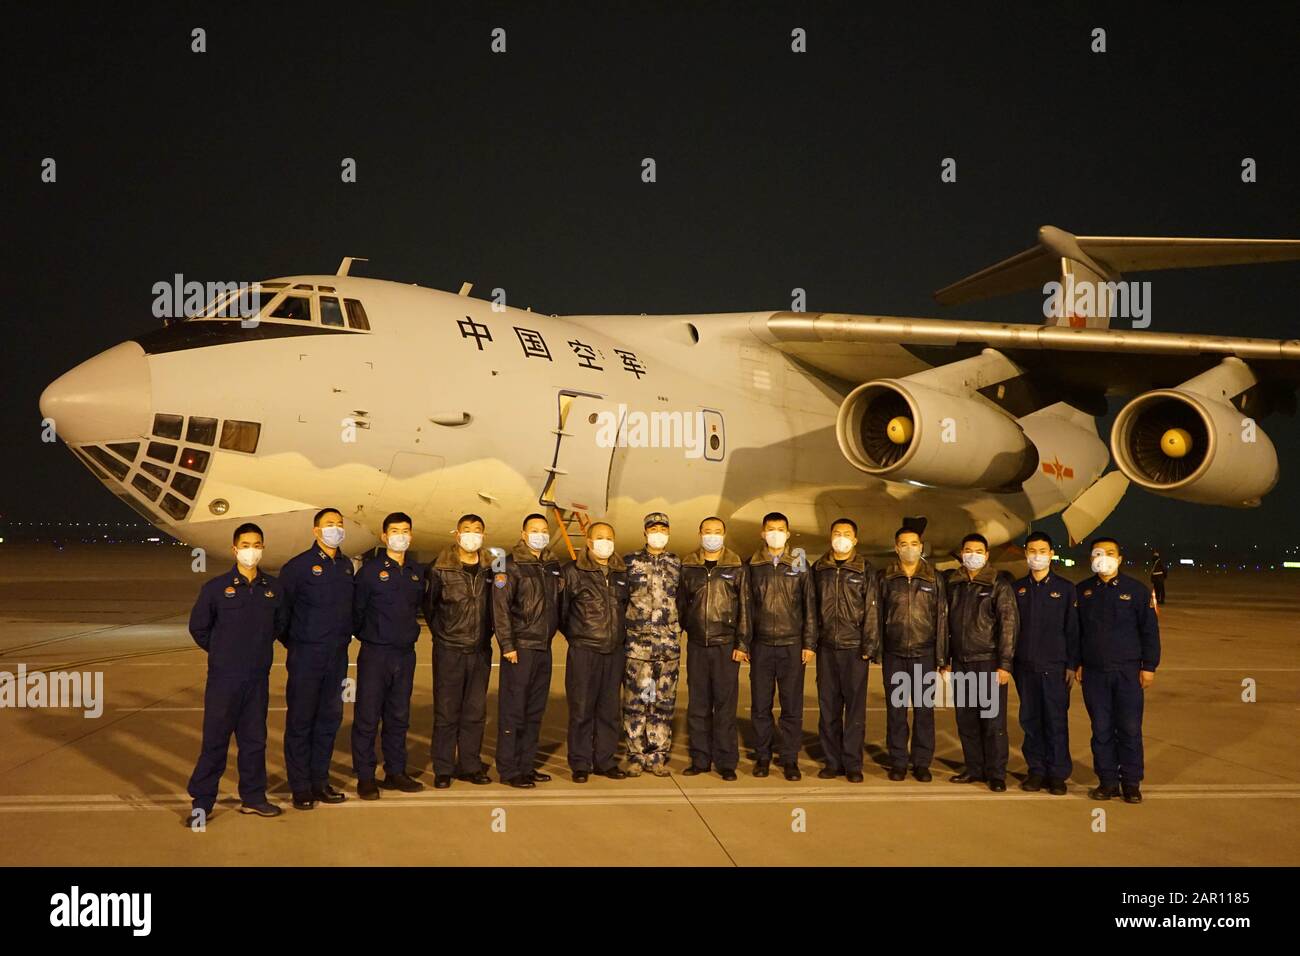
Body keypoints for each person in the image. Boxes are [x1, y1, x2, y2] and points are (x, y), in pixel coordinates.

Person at [183, 523, 286, 824]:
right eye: (245, 544)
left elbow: (279, 625)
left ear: (262, 548)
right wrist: (221, 652)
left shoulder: (273, 589)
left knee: (254, 741)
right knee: (215, 742)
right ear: (235, 549)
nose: (251, 550)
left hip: (257, 679)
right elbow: (199, 628)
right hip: (224, 680)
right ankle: (202, 803)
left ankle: (253, 798)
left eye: (256, 544)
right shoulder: (216, 588)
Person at [278, 508, 354, 811]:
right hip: (307, 655)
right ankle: (300, 786)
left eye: (339, 524)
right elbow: (282, 613)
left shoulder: (346, 566)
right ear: (315, 531)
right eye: (328, 525)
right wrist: (298, 643)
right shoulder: (298, 567)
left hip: (337, 656)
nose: (334, 529)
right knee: (300, 722)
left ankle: (320, 781)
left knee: (328, 721)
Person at [1076, 536, 1161, 804]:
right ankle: (1108, 781)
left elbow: (1150, 631)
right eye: (1097, 553)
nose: (1103, 557)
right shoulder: (1082, 591)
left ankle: (1131, 783)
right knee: (1100, 729)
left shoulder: (1137, 591)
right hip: (1094, 672)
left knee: (1129, 728)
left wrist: (1149, 666)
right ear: (1091, 559)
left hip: (1127, 671)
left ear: (1120, 558)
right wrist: (1077, 662)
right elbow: (1075, 633)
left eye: (1109, 552)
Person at [350, 512, 425, 799]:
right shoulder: (369, 572)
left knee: (398, 716)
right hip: (375, 653)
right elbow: (356, 612)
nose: (401, 535)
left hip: (405, 654)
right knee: (368, 717)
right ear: (384, 536)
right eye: (395, 531)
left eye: (406, 530)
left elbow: (419, 607)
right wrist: (371, 635)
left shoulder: (415, 572)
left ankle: (395, 771)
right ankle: (366, 776)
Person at [422, 514, 494, 788]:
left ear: (484, 535)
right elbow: (430, 608)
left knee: (475, 712)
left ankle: (470, 765)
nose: (472, 535)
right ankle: (443, 767)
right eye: (467, 530)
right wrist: (444, 635)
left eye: (477, 530)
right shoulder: (440, 568)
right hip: (450, 649)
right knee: (447, 711)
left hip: (480, 649)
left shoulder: (491, 567)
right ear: (457, 535)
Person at [493, 514, 564, 789]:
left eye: (544, 530)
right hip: (520, 648)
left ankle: (526, 764)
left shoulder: (551, 565)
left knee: (534, 710)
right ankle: (509, 769)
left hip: (543, 648)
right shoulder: (508, 565)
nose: (540, 534)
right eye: (534, 530)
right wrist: (508, 645)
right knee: (513, 710)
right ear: (523, 534)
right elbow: (500, 608)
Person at [677, 517, 749, 781]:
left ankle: (726, 761)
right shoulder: (689, 566)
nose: (712, 536)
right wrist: (691, 629)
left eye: (717, 532)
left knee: (725, 706)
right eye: (707, 532)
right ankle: (700, 759)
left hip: (725, 646)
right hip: (698, 646)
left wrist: (742, 643)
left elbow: (744, 608)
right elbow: (682, 605)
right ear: (699, 533)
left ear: (724, 535)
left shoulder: (736, 566)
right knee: (698, 705)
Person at [747, 512, 817, 780]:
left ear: (788, 534)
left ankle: (790, 759)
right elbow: (746, 606)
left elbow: (809, 605)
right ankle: (763, 757)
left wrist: (809, 642)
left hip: (791, 644)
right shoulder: (753, 564)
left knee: (791, 707)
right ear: (762, 533)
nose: (775, 533)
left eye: (780, 529)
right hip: (762, 645)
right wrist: (745, 642)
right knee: (761, 706)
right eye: (770, 529)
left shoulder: (799, 562)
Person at [944, 533, 1017, 792]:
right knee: (966, 720)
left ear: (986, 555)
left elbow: (1008, 625)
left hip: (988, 662)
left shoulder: (998, 584)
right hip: (961, 663)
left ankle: (996, 773)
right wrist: (946, 660)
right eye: (967, 550)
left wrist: (1005, 664)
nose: (972, 555)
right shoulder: (954, 583)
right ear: (961, 554)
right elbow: (946, 625)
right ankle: (974, 768)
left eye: (978, 551)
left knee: (993, 721)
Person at [560, 522, 630, 782]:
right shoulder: (573, 571)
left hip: (613, 651)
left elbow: (625, 608)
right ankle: (580, 762)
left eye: (609, 538)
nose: (605, 542)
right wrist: (579, 637)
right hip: (584, 651)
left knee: (609, 710)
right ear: (588, 542)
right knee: (581, 709)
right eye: (599, 538)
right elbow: (562, 613)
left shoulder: (621, 572)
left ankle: (605, 760)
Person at [812, 518, 880, 783]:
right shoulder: (820, 568)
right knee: (828, 708)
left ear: (855, 540)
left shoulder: (865, 570)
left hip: (854, 649)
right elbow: (811, 608)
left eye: (847, 534)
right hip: (827, 647)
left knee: (854, 710)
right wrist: (812, 642)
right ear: (830, 537)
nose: (841, 537)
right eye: (837, 533)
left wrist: (869, 645)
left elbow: (872, 608)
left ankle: (853, 763)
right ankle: (832, 762)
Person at [878, 527, 947, 782]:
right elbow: (877, 615)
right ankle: (898, 761)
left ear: (922, 546)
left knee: (924, 711)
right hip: (894, 655)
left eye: (914, 543)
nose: (909, 548)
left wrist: (941, 657)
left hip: (924, 654)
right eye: (903, 544)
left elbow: (941, 618)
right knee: (896, 711)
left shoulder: (934, 578)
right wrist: (878, 649)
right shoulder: (886, 578)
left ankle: (921, 762)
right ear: (896, 548)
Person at [1012, 531, 1079, 796]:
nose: (1036, 555)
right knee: (1030, 721)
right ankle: (1036, 771)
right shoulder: (1017, 589)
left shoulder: (1064, 589)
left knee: (1055, 721)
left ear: (1051, 553)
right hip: (1025, 667)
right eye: (1032, 550)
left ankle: (1058, 774)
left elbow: (1073, 630)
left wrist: (1072, 664)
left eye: (1042, 551)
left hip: (1055, 668)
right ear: (1026, 553)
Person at [621, 512, 683, 777]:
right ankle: (636, 755)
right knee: (636, 703)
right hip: (638, 647)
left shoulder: (677, 564)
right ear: (645, 532)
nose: (658, 532)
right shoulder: (630, 562)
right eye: (653, 528)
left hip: (668, 648)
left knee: (662, 703)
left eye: (663, 528)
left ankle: (657, 755)